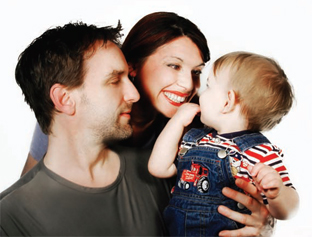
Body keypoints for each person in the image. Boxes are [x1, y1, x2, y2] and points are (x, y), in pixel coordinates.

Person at [16, 12, 275, 236]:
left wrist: (262, 224)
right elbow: (28, 198)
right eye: (173, 65)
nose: (187, 85)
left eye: (196, 72)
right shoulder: (78, 119)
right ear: (133, 66)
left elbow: (251, 194)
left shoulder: (198, 128)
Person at [148, 51, 300, 236]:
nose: (200, 93)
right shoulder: (197, 140)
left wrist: (278, 192)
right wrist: (177, 122)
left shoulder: (257, 152)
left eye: (209, 86)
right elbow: (158, 167)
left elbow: (288, 210)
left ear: (227, 101)